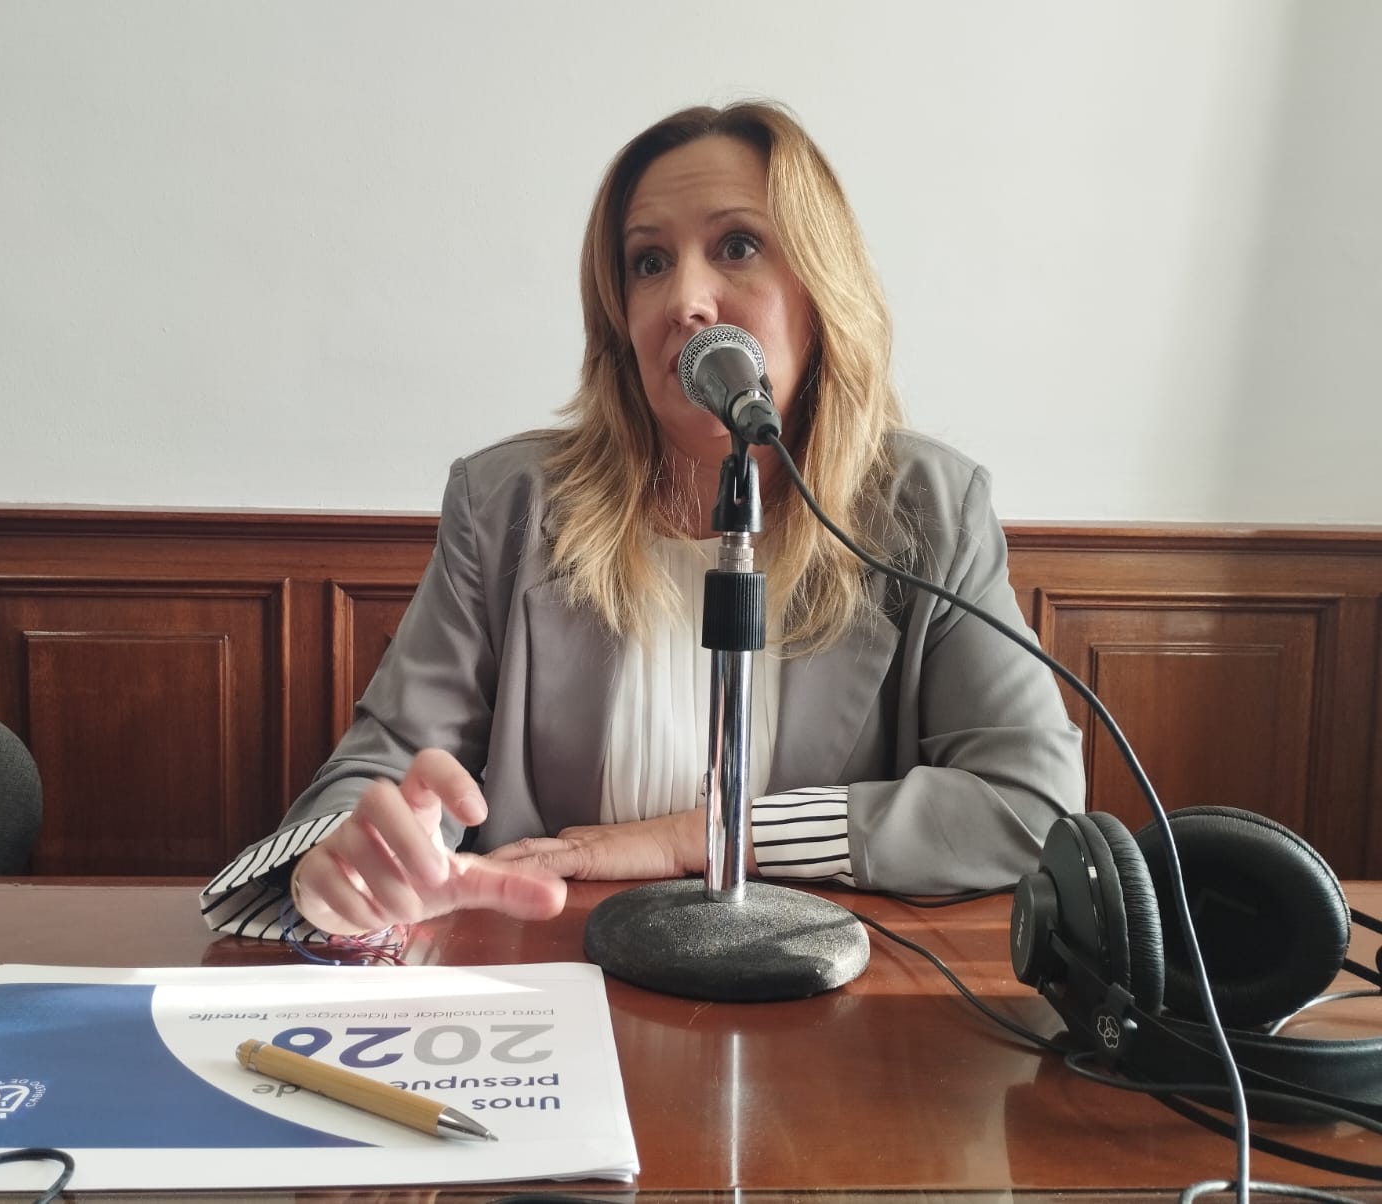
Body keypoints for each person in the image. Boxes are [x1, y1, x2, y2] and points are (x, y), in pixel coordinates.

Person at [201, 99, 1086, 942]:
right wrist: (347, 859)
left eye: (737, 246)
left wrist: (698, 836)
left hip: (821, 1007)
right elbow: (379, 767)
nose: (685, 300)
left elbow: (1033, 805)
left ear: (820, 289)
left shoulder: (928, 507)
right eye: (648, 262)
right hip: (549, 976)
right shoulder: (509, 502)